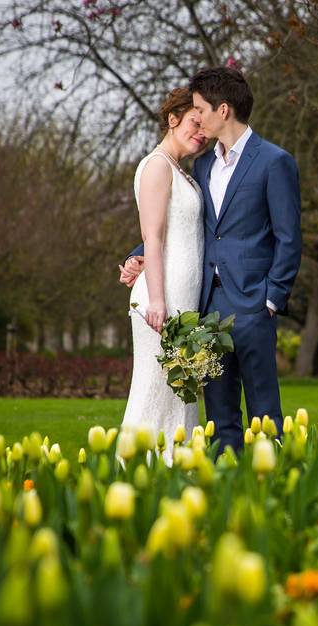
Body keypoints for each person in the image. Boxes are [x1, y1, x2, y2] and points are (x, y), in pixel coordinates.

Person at [120, 67, 302, 455]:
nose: (198, 117)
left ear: (223, 110)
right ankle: (225, 493)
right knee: (220, 419)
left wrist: (272, 298)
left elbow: (289, 237)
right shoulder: (201, 167)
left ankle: (274, 489)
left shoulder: (274, 161)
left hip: (254, 306)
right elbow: (183, 226)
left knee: (265, 414)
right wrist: (138, 256)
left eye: (201, 108)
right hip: (206, 310)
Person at [120, 87, 206, 465]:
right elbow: (151, 237)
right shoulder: (156, 165)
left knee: (178, 397)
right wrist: (158, 300)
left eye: (205, 129)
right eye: (193, 123)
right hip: (162, 303)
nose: (201, 134)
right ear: (173, 119)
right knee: (154, 391)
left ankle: (173, 472)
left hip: (180, 301)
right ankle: (133, 471)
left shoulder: (179, 171)